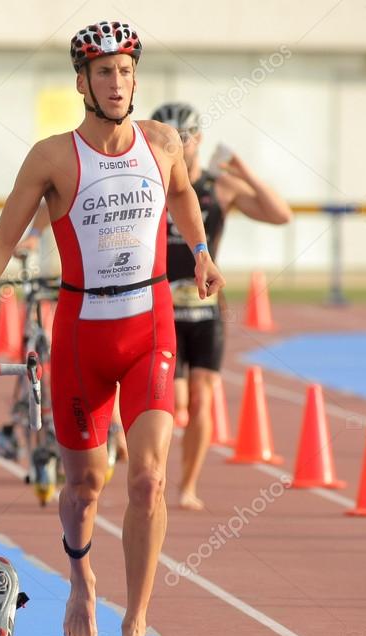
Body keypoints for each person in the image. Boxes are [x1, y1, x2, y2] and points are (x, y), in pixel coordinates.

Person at [0, 22, 224, 636]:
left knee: (149, 477)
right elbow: (3, 240)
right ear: (82, 81)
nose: (118, 83)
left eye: (125, 71)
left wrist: (202, 252)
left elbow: (181, 192)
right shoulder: (52, 157)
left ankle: (138, 619)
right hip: (80, 330)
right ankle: (81, 579)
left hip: (150, 322)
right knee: (83, 483)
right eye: (104, 72)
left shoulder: (162, 141)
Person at [151, 102, 291, 510]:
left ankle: (188, 485)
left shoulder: (218, 188)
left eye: (186, 138)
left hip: (206, 309)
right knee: (173, 402)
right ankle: (153, 473)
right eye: (171, 138)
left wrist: (242, 170)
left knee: (202, 397)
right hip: (163, 307)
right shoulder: (152, 184)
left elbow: (280, 214)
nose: (179, 146)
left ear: (198, 140)